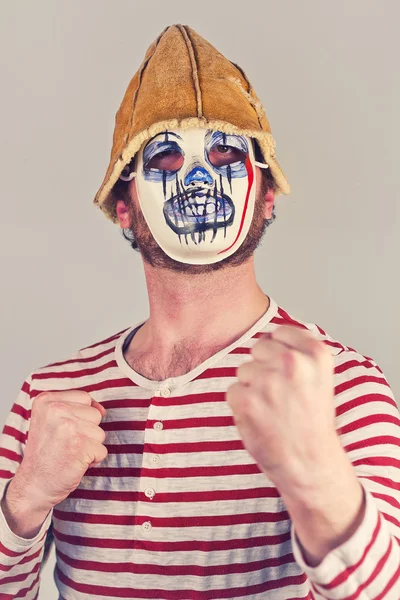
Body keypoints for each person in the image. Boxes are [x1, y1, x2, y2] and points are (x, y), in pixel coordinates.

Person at [0, 23, 399, 600]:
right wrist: (25, 499)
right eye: (164, 158)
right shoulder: (53, 399)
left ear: (265, 194)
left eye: (226, 154)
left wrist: (319, 477)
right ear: (123, 207)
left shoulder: (343, 389)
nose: (198, 177)